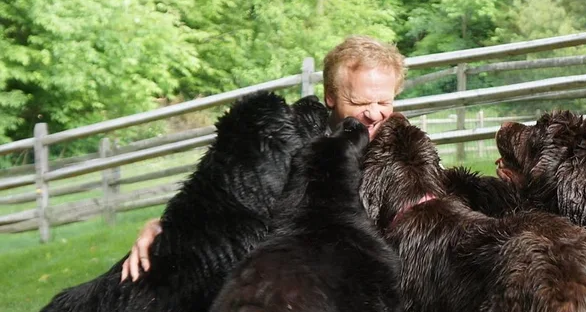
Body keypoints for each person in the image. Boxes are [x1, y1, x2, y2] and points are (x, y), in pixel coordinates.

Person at [120, 35, 406, 281]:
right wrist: (160, 228)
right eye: (359, 102)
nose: (373, 113)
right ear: (330, 96)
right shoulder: (290, 138)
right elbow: (231, 199)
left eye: (384, 102)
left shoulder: (405, 146)